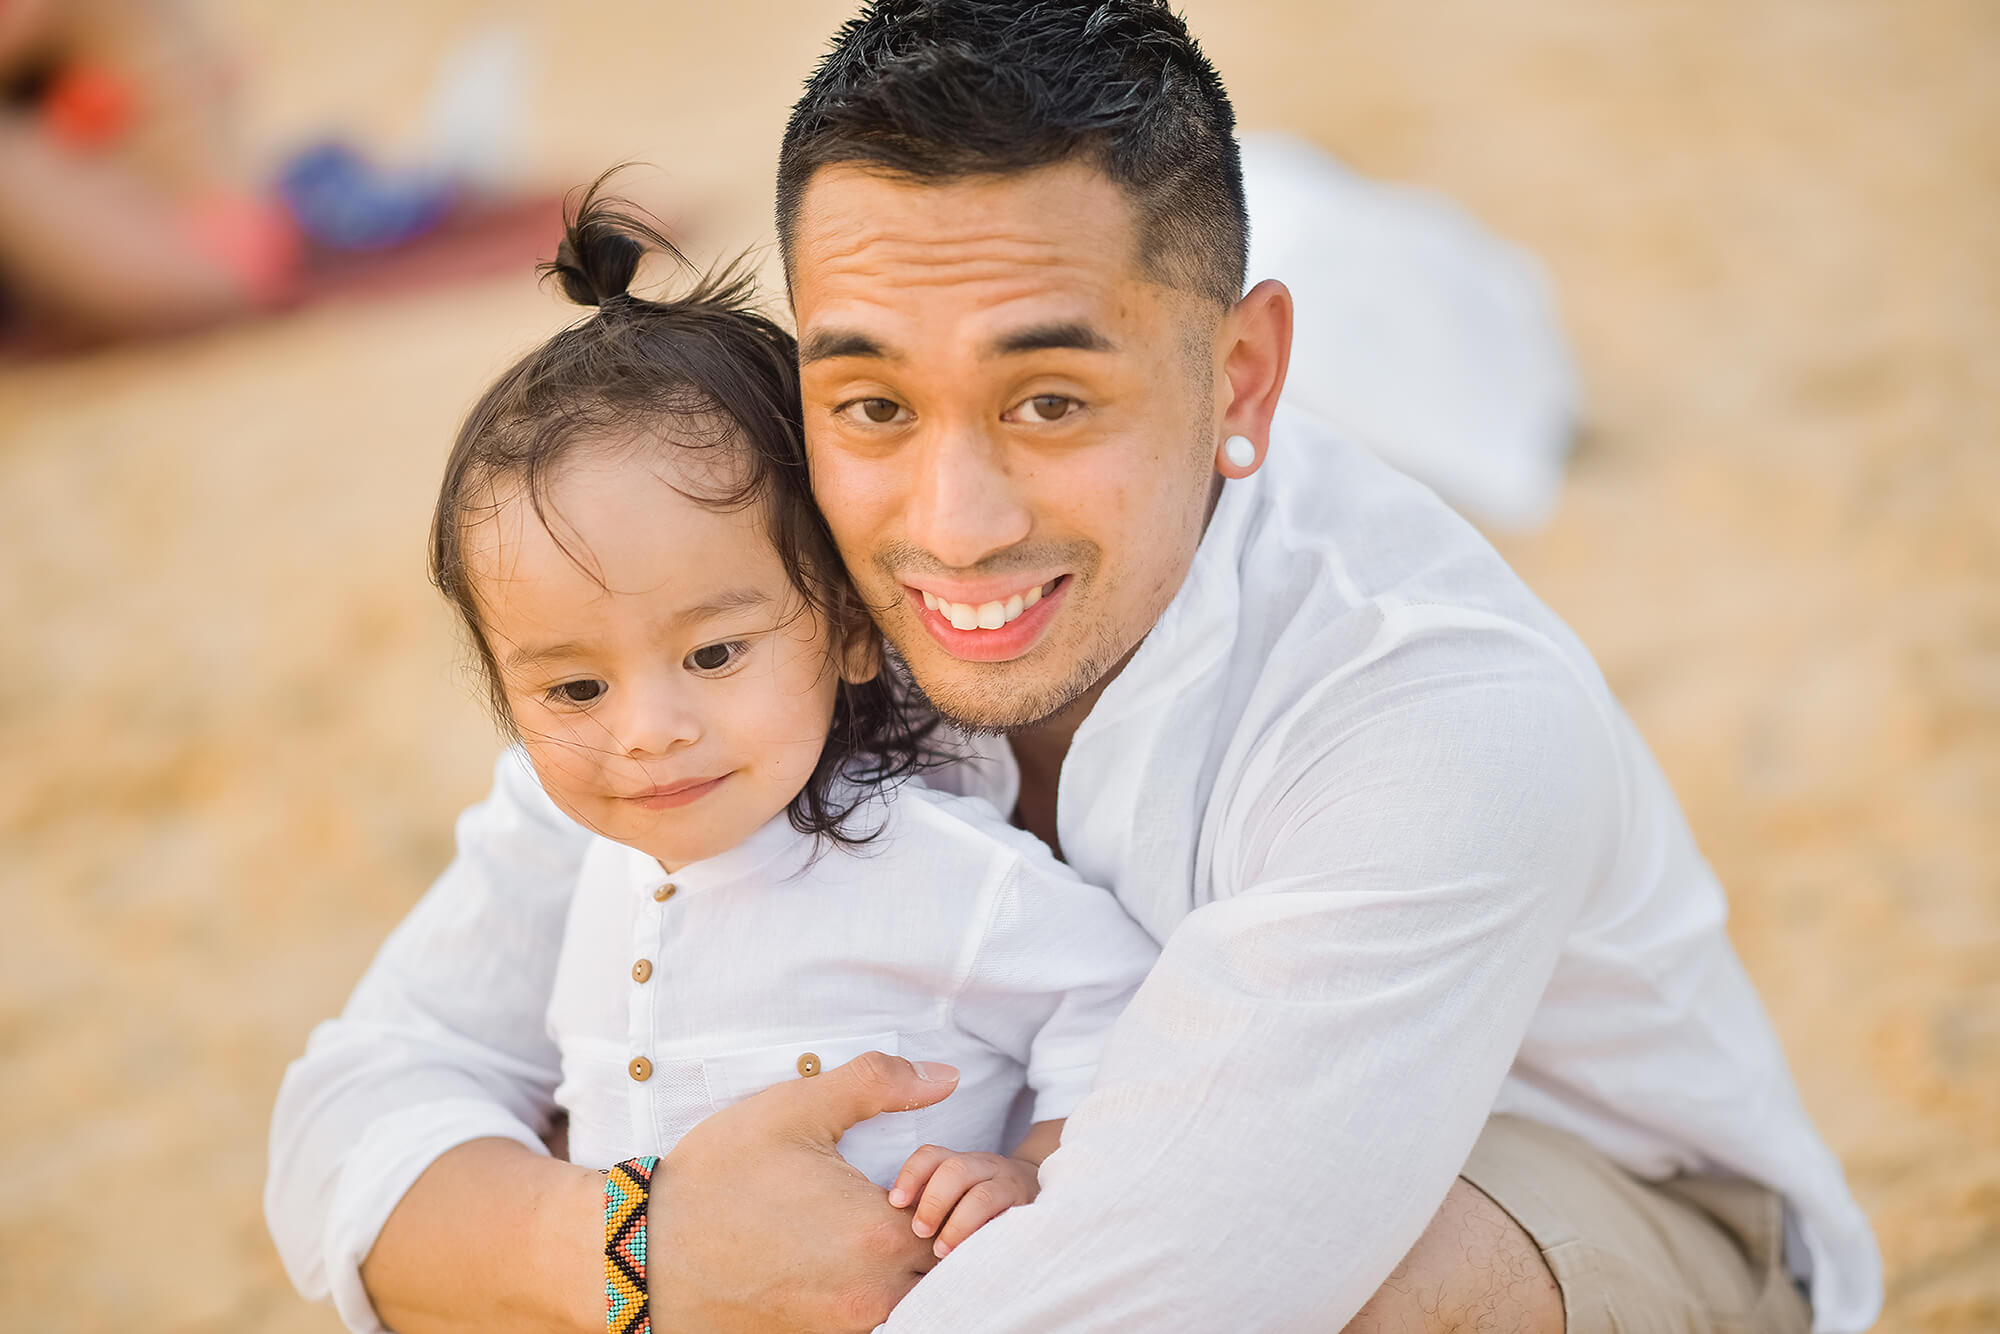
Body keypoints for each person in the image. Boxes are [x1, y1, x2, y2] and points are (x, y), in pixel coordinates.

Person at [267, 4, 1884, 1332]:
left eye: (1049, 399)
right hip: (986, 1227)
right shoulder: (743, 616)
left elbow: (1156, 1289)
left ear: (1238, 372)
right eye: (875, 402)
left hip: (1567, 1197)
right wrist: (627, 1243)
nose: (950, 526)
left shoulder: (1430, 706)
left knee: (1369, 1298)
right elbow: (362, 1100)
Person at [421, 182, 1156, 1304]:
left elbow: (1115, 999)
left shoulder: (932, 867)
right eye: (573, 684)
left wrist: (1030, 1167)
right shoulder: (592, 875)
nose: (647, 730)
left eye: (714, 655)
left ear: (850, 629)